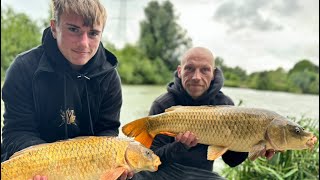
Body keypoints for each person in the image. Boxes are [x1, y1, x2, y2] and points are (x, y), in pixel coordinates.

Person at [1, 0, 133, 179]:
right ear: (54, 28)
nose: (84, 43)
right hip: (34, 167)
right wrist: (45, 164)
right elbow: (17, 131)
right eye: (73, 29)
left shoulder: (109, 77)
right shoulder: (23, 68)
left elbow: (107, 132)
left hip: (87, 169)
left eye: (93, 33)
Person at [133, 47, 277, 180]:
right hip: (164, 172)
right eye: (189, 68)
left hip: (202, 175)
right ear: (179, 71)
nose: (196, 76)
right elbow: (148, 161)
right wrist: (179, 146)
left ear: (213, 74)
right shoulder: (163, 105)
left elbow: (232, 161)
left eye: (204, 70)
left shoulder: (226, 105)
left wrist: (253, 145)